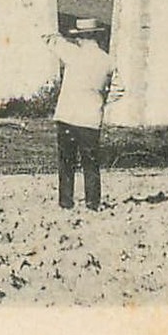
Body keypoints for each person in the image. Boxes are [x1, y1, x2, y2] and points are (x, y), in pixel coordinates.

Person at [44, 18, 118, 211]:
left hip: (68, 115)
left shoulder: (73, 54)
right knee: (90, 163)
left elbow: (51, 41)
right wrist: (102, 101)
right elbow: (119, 89)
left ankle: (66, 201)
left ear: (81, 37)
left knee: (66, 161)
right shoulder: (108, 61)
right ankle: (92, 202)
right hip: (91, 118)